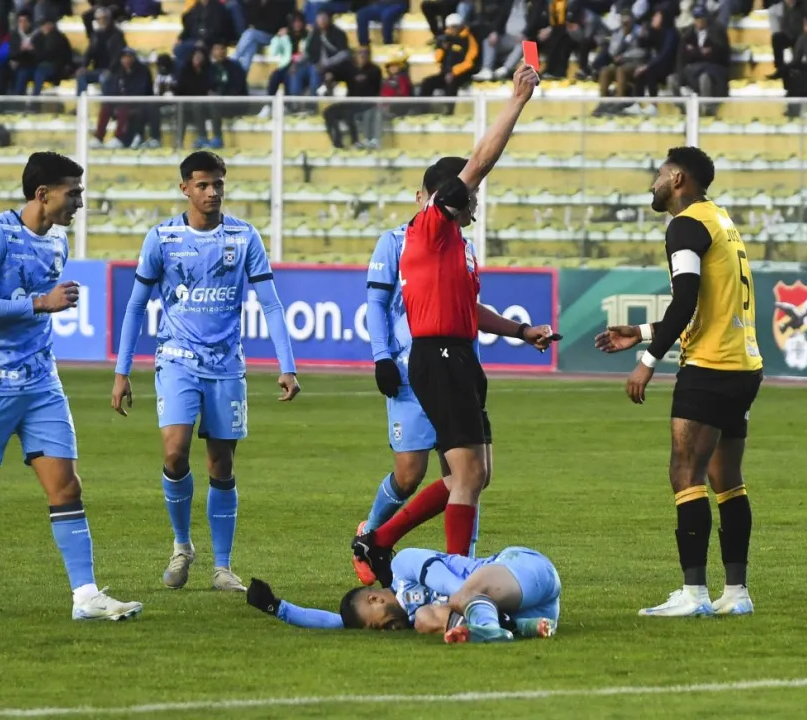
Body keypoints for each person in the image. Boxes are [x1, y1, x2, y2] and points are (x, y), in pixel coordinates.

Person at [0, 152, 142, 622]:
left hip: (41, 383)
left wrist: (43, 308)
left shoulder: (58, 242)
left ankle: (85, 596)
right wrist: (39, 303)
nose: (80, 202)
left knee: (66, 486)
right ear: (43, 194)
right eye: (74, 192)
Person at [352, 65, 545, 582]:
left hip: (458, 352)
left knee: (478, 474)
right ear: (449, 201)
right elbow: (481, 161)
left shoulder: (459, 248)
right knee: (463, 474)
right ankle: (457, 574)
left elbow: (470, 311)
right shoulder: (433, 229)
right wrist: (517, 102)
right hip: (435, 355)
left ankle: (379, 539)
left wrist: (522, 332)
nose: (475, 209)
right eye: (472, 201)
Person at [111, 151, 300, 593]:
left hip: (226, 365)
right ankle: (181, 546)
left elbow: (270, 303)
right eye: (202, 185)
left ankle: (222, 566)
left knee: (221, 463)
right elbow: (137, 305)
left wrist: (286, 365)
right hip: (176, 358)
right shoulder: (161, 238)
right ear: (185, 189)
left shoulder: (244, 236)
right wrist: (122, 371)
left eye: (218, 184)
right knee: (175, 451)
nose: (212, 192)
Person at [594, 146, 762, 618]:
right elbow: (709, 304)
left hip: (708, 368)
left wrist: (648, 359)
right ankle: (737, 593)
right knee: (726, 478)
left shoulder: (684, 225)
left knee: (685, 473)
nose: (654, 182)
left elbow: (686, 299)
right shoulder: (719, 220)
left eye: (659, 174)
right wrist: (643, 331)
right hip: (743, 366)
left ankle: (693, 595)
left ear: (678, 177)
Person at [246, 545, 561, 644]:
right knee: (427, 618)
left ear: (374, 598)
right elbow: (336, 622)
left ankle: (494, 632)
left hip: (522, 570)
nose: (384, 629)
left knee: (459, 596)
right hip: (535, 609)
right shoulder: (414, 616)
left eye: (376, 623)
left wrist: (464, 605)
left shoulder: (404, 565)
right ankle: (514, 627)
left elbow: (456, 589)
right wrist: (277, 607)